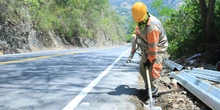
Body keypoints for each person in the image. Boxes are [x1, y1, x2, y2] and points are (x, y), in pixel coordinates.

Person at [131, 2, 169, 93]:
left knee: (153, 71)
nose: (139, 22)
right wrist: (135, 34)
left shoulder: (153, 27)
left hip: (158, 48)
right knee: (142, 69)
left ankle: (153, 90)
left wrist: (149, 60)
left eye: (139, 20)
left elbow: (153, 49)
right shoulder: (142, 20)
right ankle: (148, 87)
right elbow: (138, 29)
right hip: (147, 47)